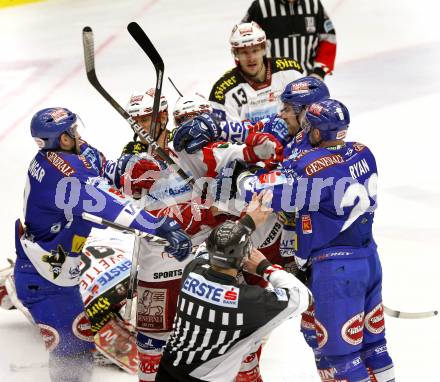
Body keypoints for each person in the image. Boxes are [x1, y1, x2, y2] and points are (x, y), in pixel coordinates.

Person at [219, 99, 395, 381]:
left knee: (339, 359)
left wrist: (242, 181)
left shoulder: (310, 165)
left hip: (336, 270)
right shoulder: (364, 152)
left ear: (315, 132)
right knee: (375, 347)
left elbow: (270, 196)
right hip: (369, 259)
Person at [14, 107, 192, 382]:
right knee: (73, 356)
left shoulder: (60, 157)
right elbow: (112, 207)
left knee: (80, 346)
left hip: (56, 276)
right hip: (45, 280)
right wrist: (159, 225)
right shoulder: (67, 177)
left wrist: (126, 167)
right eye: (73, 131)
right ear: (62, 139)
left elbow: (98, 167)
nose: (78, 135)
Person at [119, 89, 284, 382]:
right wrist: (122, 173)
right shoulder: (137, 159)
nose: (140, 126)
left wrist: (236, 136)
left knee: (236, 351)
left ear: (162, 116)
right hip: (155, 271)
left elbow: (263, 149)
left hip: (203, 270)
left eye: (146, 119)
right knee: (151, 358)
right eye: (136, 120)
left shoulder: (205, 151)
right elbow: (121, 196)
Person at [156, 213, 312, 382]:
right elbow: (303, 296)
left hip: (166, 371)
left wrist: (248, 222)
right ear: (245, 258)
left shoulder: (192, 271)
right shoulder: (248, 301)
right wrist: (264, 267)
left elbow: (203, 249)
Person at [209, 21, 304, 123]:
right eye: (244, 52)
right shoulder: (222, 92)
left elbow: (309, 108)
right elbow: (223, 134)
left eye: (255, 51)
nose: (251, 58)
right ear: (236, 54)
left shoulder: (290, 70)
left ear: (263, 49)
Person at [242, 0, 337, 79]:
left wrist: (319, 72)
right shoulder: (261, 6)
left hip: (307, 81)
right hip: (270, 86)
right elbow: (241, 42)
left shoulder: (313, 4)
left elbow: (328, 38)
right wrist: (253, 74)